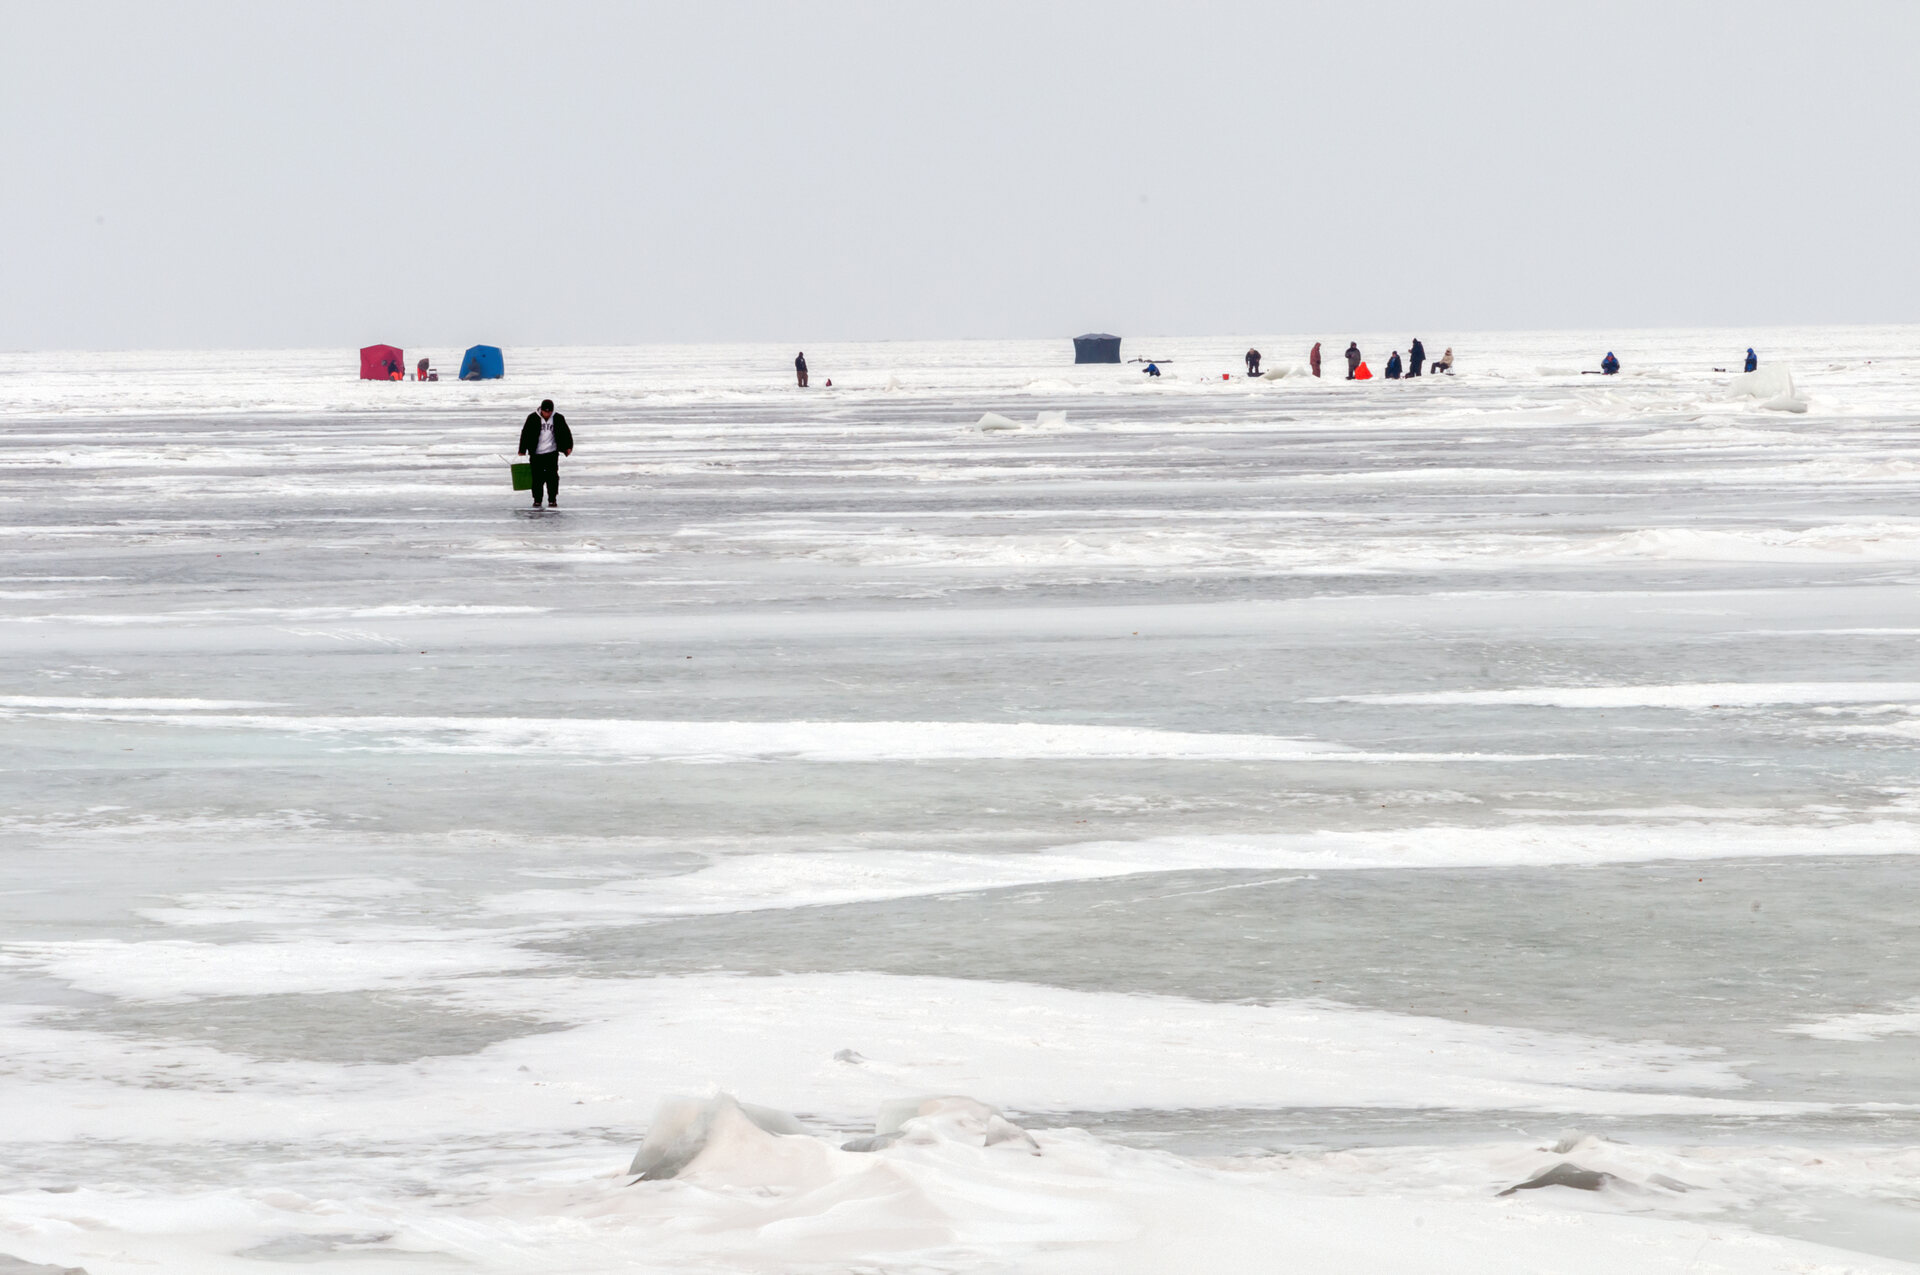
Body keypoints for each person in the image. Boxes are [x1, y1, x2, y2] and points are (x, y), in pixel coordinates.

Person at [516, 398, 574, 509]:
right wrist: (522, 450)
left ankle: (552, 499)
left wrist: (568, 447)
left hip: (551, 452)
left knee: (552, 477)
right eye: (545, 411)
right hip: (536, 453)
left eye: (549, 411)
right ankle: (537, 500)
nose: (547, 413)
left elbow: (566, 433)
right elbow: (525, 434)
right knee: (537, 478)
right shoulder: (532, 418)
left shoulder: (558, 418)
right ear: (541, 409)